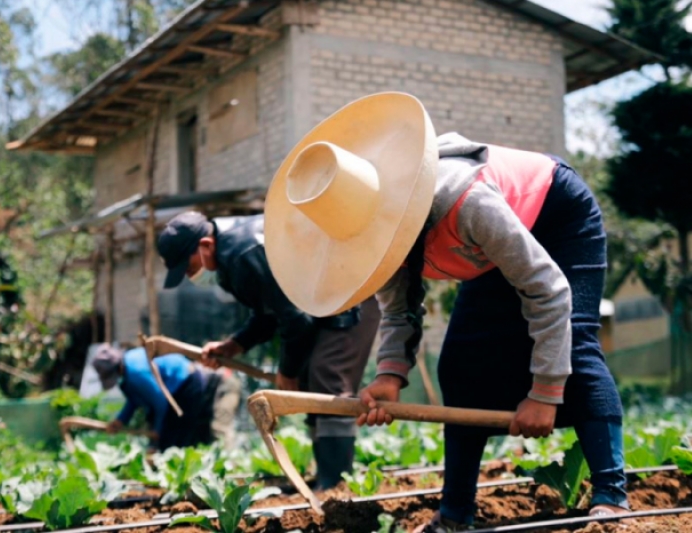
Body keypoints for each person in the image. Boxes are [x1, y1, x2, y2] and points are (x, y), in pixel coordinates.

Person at [263, 92, 628, 532]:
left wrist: (545, 392)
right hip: (486, 249)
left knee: (576, 341)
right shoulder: (371, 233)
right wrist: (390, 376)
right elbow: (398, 308)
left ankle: (612, 499)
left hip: (554, 216)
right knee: (460, 365)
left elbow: (548, 291)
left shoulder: (467, 203)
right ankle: (455, 513)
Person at [156, 212, 381, 489]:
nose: (191, 277)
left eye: (189, 268)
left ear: (205, 245)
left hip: (350, 297)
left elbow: (295, 319)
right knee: (314, 386)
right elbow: (269, 313)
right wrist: (235, 344)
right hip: (324, 304)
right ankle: (327, 479)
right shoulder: (229, 256)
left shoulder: (242, 253)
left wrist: (287, 372)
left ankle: (336, 485)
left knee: (327, 380)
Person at [92, 344, 241, 452]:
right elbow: (134, 399)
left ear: (117, 368)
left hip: (185, 383)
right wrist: (121, 420)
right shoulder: (127, 372)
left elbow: (161, 402)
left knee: (177, 438)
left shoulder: (135, 372)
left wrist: (157, 430)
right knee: (172, 438)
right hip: (176, 390)